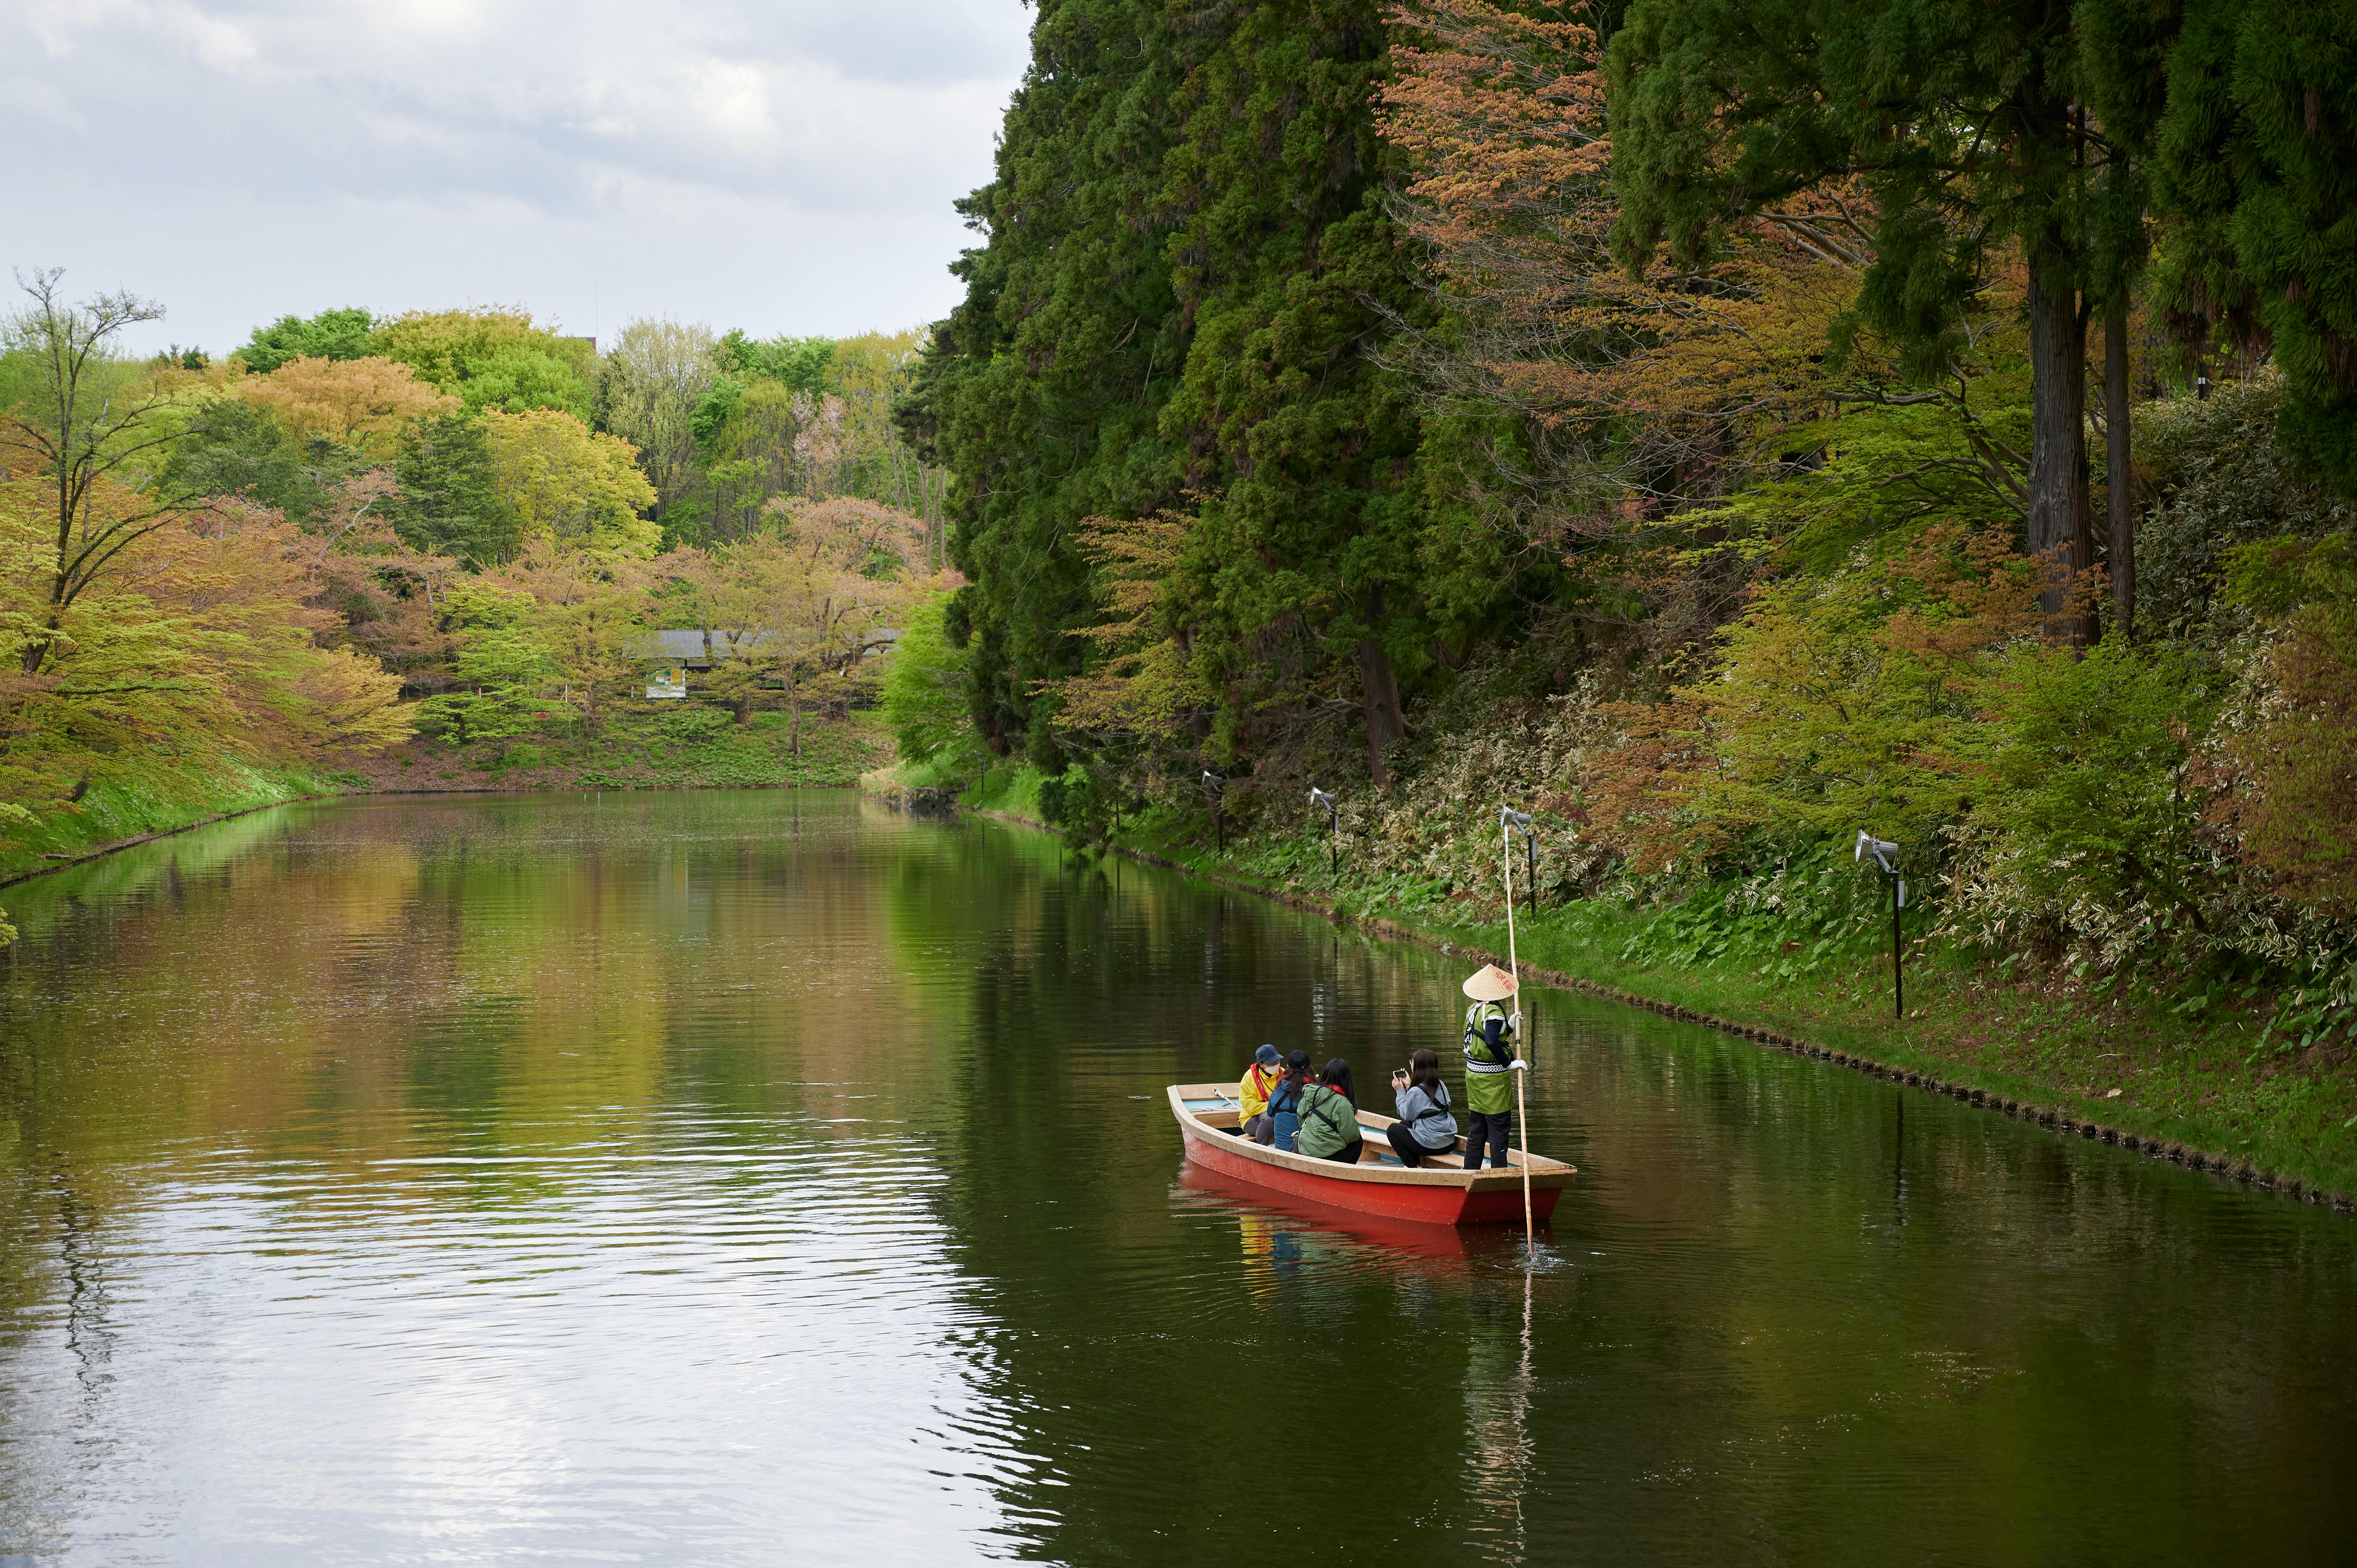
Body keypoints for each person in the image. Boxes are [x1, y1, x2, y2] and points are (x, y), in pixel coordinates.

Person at [1460, 964, 1527, 1172]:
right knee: (1499, 1131)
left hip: (1473, 1076)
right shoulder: (1494, 1010)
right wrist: (1508, 1063)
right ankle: (1500, 1174)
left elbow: (1487, 1034)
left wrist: (1509, 1026)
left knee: (1477, 1131)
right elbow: (1490, 1040)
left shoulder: (1475, 1009)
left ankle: (1470, 1172)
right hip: (1493, 1082)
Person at [1387, 1048, 1459, 1167]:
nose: (1411, 1064)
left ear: (1417, 1067)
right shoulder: (1441, 1084)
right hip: (1448, 1143)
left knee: (1393, 1130)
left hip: (1430, 1145)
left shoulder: (1416, 1091)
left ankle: (1412, 1166)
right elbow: (1422, 1103)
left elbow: (1406, 1113)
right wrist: (1410, 1086)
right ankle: (1416, 1164)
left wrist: (1401, 1091)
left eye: (1412, 1062)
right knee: (1404, 1124)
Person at [1296, 1058, 1365, 1165]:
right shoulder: (1342, 1103)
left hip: (1304, 1148)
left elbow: (1300, 1118)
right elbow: (1350, 1135)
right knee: (1358, 1142)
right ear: (1347, 1078)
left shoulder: (1311, 1092)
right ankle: (1343, 1174)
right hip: (1326, 1156)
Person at [1257, 1050, 1312, 1151]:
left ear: (1288, 1067)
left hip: (1281, 1148)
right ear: (1310, 1068)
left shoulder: (1279, 1088)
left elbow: (1270, 1113)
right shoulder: (1313, 1092)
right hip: (1304, 1150)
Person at [1236, 1043, 1284, 1139]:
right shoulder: (1249, 1078)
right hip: (1251, 1120)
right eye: (1272, 1063)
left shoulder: (1283, 1073)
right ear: (1262, 1065)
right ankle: (1260, 1147)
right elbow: (1251, 1108)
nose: (1276, 1065)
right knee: (1269, 1117)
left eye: (1277, 1061)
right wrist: (1274, 1105)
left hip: (1278, 1115)